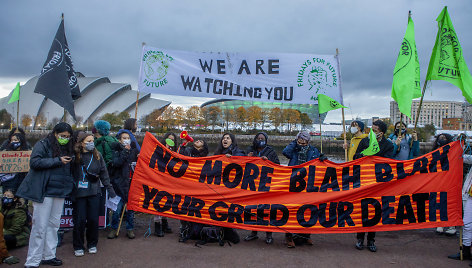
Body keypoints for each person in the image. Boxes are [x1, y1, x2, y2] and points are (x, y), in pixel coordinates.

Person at [17, 122, 75, 267]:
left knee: (54, 225)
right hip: (44, 190)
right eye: (63, 136)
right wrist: (57, 161)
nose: (65, 139)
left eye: (68, 137)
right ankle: (32, 260)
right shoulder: (42, 144)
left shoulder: (67, 147)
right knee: (40, 226)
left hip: (60, 190)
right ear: (55, 133)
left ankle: (49, 255)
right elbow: (35, 162)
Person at [71, 132, 116, 256]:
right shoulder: (75, 157)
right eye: (88, 141)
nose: (91, 143)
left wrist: (110, 190)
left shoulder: (97, 155)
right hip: (79, 193)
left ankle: (92, 244)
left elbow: (104, 174)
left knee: (93, 220)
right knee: (79, 221)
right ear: (81, 143)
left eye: (92, 141)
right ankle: (78, 245)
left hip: (94, 192)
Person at [353, 119, 394, 253]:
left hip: (378, 183)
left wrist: (373, 154)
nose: (372, 132)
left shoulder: (388, 145)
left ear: (381, 133)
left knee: (375, 211)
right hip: (364, 180)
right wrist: (366, 153)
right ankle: (360, 238)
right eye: (372, 129)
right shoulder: (364, 142)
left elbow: (388, 162)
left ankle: (371, 240)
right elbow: (355, 157)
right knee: (363, 209)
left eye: (375, 130)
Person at [282, 131, 324, 248]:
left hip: (308, 183)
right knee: (291, 209)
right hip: (294, 182)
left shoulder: (314, 151)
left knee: (307, 209)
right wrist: (295, 143)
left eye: (304, 140)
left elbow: (320, 163)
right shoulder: (294, 149)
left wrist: (323, 158)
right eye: (300, 139)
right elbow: (285, 152)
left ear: (308, 141)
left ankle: (306, 235)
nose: (302, 142)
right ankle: (288, 236)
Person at [244, 132, 280, 244]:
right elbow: (240, 162)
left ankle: (269, 234)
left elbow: (278, 166)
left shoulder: (271, 152)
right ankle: (253, 232)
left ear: (266, 140)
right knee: (253, 208)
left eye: (262, 138)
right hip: (253, 185)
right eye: (258, 138)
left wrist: (268, 161)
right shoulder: (249, 150)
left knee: (267, 210)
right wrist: (246, 158)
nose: (260, 140)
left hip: (266, 185)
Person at [108, 130, 139, 239]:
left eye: (128, 138)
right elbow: (117, 163)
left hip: (130, 184)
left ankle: (130, 229)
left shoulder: (134, 151)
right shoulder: (116, 150)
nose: (127, 140)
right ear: (120, 140)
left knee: (130, 209)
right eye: (124, 138)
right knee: (116, 209)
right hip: (119, 185)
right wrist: (125, 152)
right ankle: (113, 228)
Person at [449, 137, 472, 264]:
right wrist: (458, 146)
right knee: (467, 223)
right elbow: (463, 157)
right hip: (470, 193)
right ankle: (466, 251)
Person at [431, 133, 456, 236]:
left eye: (444, 138)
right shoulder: (434, 152)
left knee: (449, 203)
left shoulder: (452, 152)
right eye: (440, 138)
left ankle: (451, 225)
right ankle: (440, 223)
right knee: (438, 202)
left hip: (449, 182)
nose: (442, 140)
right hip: (438, 182)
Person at [154, 132, 178, 237]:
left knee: (166, 201)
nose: (170, 141)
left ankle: (164, 221)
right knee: (157, 200)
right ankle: (157, 224)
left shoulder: (175, 152)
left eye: (172, 140)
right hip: (158, 179)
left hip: (168, 181)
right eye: (169, 139)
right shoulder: (158, 150)